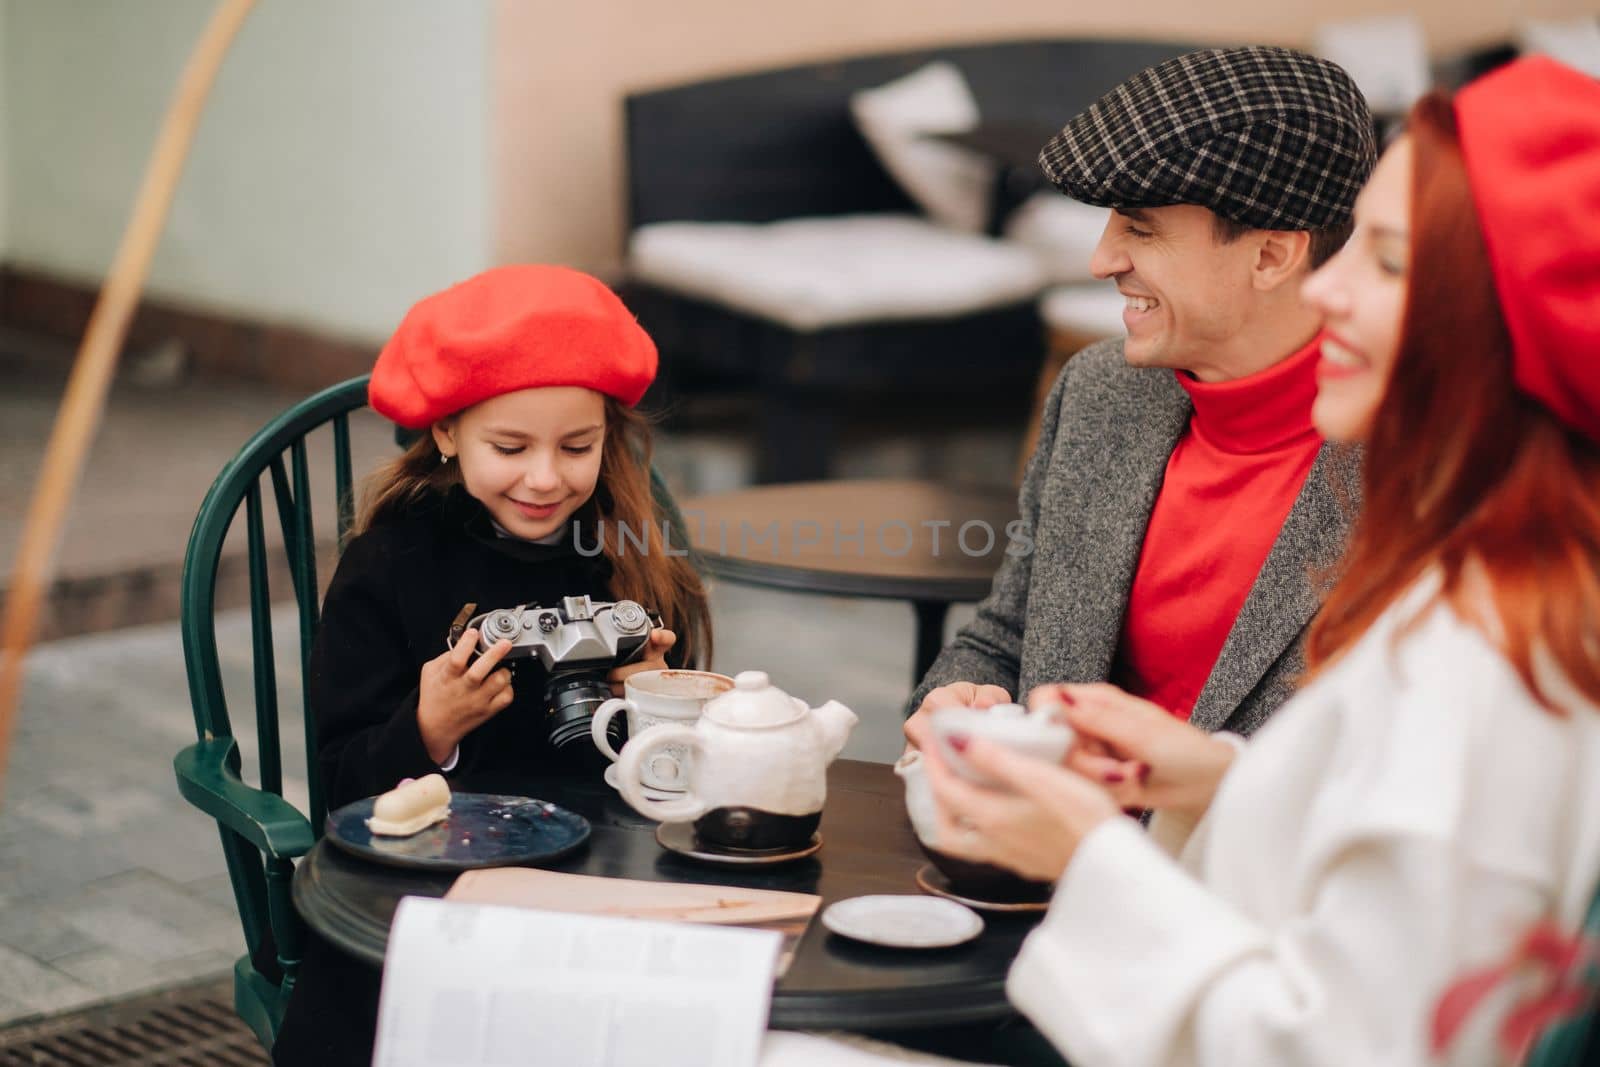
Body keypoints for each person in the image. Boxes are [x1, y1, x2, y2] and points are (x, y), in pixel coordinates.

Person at [917, 57, 1600, 1066]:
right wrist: (1205, 774)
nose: (1334, 287)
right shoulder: (1499, 586)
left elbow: (1342, 1040)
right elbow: (1396, 850)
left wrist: (1095, 855)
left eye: (1390, 258)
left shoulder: (1490, 652)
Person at [272, 264, 712, 1065]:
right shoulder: (391, 566)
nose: (546, 477)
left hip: (596, 877)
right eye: (510, 446)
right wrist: (429, 729)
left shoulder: (622, 551)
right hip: (429, 885)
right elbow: (341, 787)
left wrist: (650, 701)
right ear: (446, 432)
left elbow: (688, 765)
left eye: (578, 446)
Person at [905, 47, 1375, 750]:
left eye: (1140, 228)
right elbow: (1009, 632)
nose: (1102, 260)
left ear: (1272, 256)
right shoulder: (1100, 394)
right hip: (1041, 845)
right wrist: (960, 691)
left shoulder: (1420, 457)